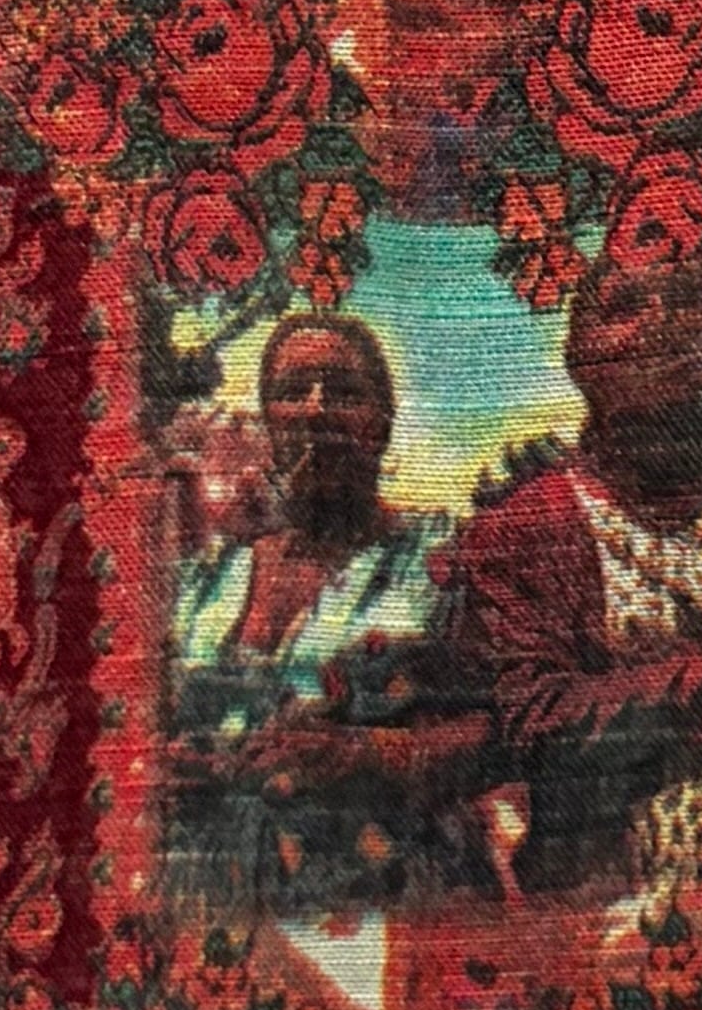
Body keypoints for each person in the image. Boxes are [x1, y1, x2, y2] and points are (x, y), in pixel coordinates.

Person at [432, 247, 702, 897]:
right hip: (631, 907)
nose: (662, 322)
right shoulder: (525, 528)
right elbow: (531, 728)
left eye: (684, 301)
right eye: (624, 308)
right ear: (577, 357)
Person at [165, 311, 478, 919]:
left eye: (344, 392)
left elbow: (496, 731)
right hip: (210, 893)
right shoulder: (211, 577)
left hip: (375, 891)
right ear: (270, 421)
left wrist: (361, 752)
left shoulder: (435, 562)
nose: (316, 410)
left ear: (382, 422)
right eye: (292, 392)